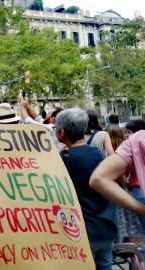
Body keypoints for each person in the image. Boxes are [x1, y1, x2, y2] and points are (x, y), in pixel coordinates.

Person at [55, 108, 116, 270]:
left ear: (61, 132)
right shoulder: (96, 153)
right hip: (106, 225)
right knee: (105, 265)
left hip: (83, 229)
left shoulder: (64, 159)